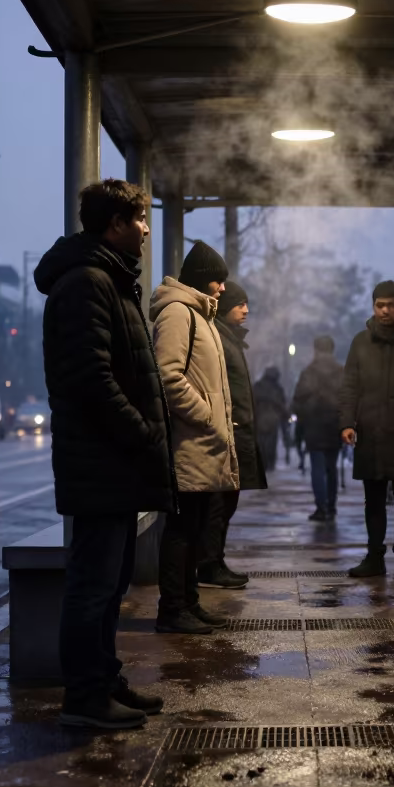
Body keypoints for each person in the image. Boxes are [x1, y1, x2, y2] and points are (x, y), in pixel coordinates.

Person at [34, 178, 173, 731]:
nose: (145, 228)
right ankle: (84, 696)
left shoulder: (109, 279)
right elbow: (91, 377)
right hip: (102, 456)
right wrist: (141, 430)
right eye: (139, 219)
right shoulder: (88, 283)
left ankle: (104, 678)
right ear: (114, 224)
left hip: (113, 459)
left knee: (110, 580)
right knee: (93, 582)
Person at [150, 240, 239, 634]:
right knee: (182, 529)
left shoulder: (200, 315)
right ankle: (172, 609)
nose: (222, 288)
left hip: (203, 440)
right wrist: (205, 414)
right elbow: (167, 374)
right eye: (218, 281)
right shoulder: (177, 313)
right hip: (190, 440)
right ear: (204, 280)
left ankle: (189, 602)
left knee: (195, 527)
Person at [339, 280, 394, 578]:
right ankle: (374, 556)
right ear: (373, 306)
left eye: (391, 305)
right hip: (370, 431)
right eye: (379, 305)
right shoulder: (361, 341)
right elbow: (349, 386)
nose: (385, 311)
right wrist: (347, 422)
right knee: (373, 499)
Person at [197, 281, 266, 589]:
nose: (246, 309)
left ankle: (215, 561)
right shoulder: (221, 340)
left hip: (237, 429)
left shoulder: (229, 338)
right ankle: (209, 565)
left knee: (227, 502)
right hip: (229, 432)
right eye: (240, 304)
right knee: (219, 503)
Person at [293, 336, 345, 521]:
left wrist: (304, 415)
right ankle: (332, 506)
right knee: (332, 468)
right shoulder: (340, 371)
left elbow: (298, 399)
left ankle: (321, 508)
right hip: (334, 426)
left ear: (315, 349)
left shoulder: (309, 372)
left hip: (314, 426)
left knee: (318, 468)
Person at [253, 367, 288, 472]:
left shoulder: (257, 387)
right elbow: (282, 405)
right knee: (271, 443)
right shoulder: (278, 389)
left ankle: (263, 463)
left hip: (259, 418)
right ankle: (270, 463)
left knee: (261, 442)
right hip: (273, 419)